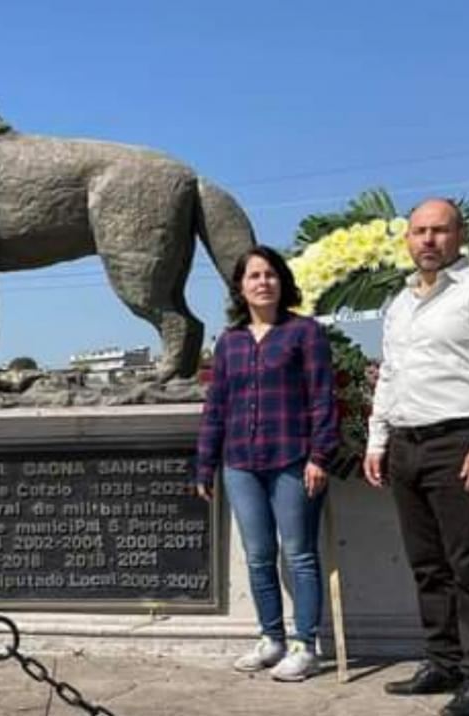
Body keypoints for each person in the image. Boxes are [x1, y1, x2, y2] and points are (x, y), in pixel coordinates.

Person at [363, 198, 469, 716]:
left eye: (438, 230)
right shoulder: (402, 302)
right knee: (427, 564)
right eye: (418, 232)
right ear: (407, 239)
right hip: (407, 444)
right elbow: (390, 374)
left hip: (460, 441)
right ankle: (442, 660)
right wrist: (377, 438)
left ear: (461, 234)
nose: (428, 240)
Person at [195, 246, 339, 682]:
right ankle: (271, 638)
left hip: (292, 459)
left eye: (270, 274)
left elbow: (322, 398)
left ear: (282, 282)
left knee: (299, 554)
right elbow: (216, 406)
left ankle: (305, 644)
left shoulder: (304, 333)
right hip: (240, 462)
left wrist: (320, 455)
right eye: (253, 276)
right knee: (258, 556)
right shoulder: (230, 342)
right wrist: (205, 465)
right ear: (240, 286)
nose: (262, 282)